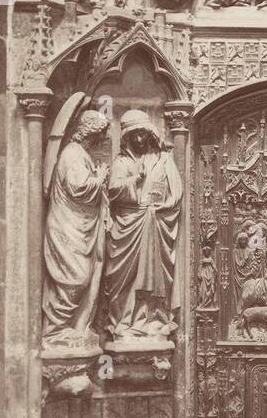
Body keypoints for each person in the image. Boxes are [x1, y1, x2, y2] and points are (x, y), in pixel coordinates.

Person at [104, 110, 183, 341]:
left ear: (149, 135)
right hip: (127, 226)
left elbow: (176, 193)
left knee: (152, 277)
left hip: (154, 225)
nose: (139, 140)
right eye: (134, 135)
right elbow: (112, 191)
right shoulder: (121, 162)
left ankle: (152, 320)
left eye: (143, 134)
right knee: (123, 281)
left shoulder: (162, 160)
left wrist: (161, 207)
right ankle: (123, 324)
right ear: (127, 137)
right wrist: (135, 180)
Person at [42, 110, 110, 346]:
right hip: (67, 226)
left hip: (79, 226)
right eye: (100, 134)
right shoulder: (72, 154)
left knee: (83, 277)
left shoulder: (79, 153)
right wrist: (100, 178)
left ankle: (72, 328)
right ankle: (54, 330)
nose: (102, 140)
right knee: (76, 278)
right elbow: (78, 187)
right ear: (90, 133)